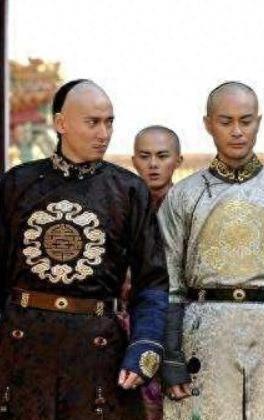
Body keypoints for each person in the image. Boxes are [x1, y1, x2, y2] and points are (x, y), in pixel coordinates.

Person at [0, 79, 168, 418]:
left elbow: (152, 283)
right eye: (93, 122)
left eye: (109, 122)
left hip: (99, 355)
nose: (104, 133)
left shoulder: (129, 191)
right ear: (61, 124)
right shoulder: (16, 184)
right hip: (21, 349)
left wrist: (144, 347)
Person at [160, 81, 264, 419]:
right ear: (208, 124)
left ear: (258, 122)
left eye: (246, 121)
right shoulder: (184, 195)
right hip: (203, 338)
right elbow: (168, 281)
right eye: (226, 121)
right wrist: (171, 355)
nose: (237, 131)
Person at [128, 125, 183, 420]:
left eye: (162, 156)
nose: (153, 164)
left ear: (178, 160)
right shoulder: (121, 207)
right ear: (134, 160)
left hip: (182, 325)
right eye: (145, 156)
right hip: (133, 325)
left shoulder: (191, 209)